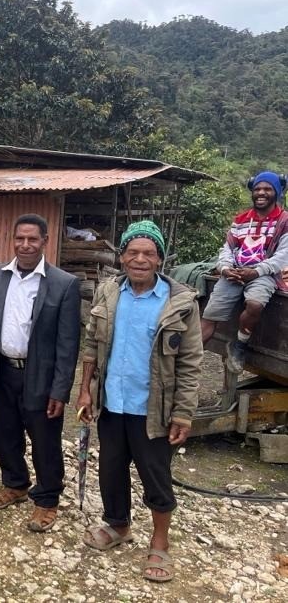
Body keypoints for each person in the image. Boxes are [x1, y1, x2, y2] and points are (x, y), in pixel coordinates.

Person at [76, 220, 202, 583]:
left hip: (154, 410)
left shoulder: (180, 303)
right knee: (111, 469)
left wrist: (183, 414)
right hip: (112, 404)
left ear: (160, 258)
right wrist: (85, 390)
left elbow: (191, 362)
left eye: (149, 253)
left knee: (155, 475)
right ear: (123, 256)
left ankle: (159, 541)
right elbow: (91, 346)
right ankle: (119, 525)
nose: (140, 259)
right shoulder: (109, 292)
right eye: (133, 252)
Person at [0, 213, 80, 532]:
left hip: (39, 376)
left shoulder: (64, 284)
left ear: (45, 241)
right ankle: (15, 483)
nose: (26, 244)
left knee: (44, 439)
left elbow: (67, 344)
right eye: (20, 238)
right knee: (5, 433)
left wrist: (60, 390)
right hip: (2, 369)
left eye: (33, 239)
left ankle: (47, 500)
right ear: (12, 240)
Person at [200, 171, 288, 373]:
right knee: (210, 315)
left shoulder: (284, 221)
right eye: (257, 189)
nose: (261, 193)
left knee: (255, 304)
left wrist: (256, 272)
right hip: (235, 273)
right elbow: (227, 249)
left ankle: (239, 345)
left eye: (267, 189)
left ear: (277, 192)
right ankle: (187, 358)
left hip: (264, 275)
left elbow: (283, 256)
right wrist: (225, 269)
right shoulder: (240, 220)